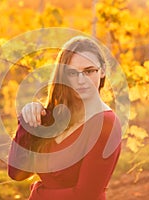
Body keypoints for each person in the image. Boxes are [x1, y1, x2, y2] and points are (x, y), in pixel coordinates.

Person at [8, 35, 122, 200]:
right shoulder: (55, 116)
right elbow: (17, 173)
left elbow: (85, 195)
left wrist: (38, 194)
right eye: (72, 73)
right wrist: (27, 121)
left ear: (102, 71)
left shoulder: (106, 124)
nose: (81, 80)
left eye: (89, 71)